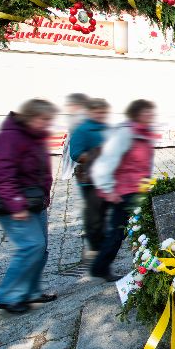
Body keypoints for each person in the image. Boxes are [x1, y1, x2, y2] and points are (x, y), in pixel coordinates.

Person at [0, 100, 59, 313]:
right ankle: (7, 296)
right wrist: (16, 205)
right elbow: (2, 176)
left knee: (40, 248)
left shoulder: (35, 136)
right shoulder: (8, 138)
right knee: (31, 246)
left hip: (34, 202)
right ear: (29, 117)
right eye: (44, 119)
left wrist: (45, 196)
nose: (47, 124)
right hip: (12, 204)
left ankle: (30, 291)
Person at [90, 99, 156, 281]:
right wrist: (108, 189)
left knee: (134, 228)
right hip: (124, 192)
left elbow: (145, 164)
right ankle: (100, 267)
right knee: (117, 232)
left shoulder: (145, 132)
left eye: (151, 112)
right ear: (136, 114)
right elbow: (106, 161)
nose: (151, 115)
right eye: (147, 112)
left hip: (138, 189)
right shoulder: (126, 133)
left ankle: (145, 263)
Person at [69, 98, 110, 253]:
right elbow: (76, 154)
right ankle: (95, 246)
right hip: (90, 180)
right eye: (97, 112)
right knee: (94, 213)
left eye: (103, 112)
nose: (100, 115)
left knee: (103, 210)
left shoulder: (106, 128)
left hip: (106, 177)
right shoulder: (82, 130)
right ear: (90, 112)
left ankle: (102, 238)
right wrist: (98, 155)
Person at [56, 93, 90, 184]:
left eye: (69, 104)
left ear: (77, 105)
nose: (67, 107)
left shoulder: (80, 121)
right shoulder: (77, 119)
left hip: (79, 168)